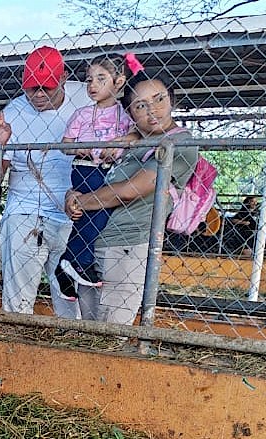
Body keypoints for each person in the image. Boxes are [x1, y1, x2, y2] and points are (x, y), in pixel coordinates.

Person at [64, 69, 199, 325]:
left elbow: (130, 190)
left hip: (126, 245)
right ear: (130, 114)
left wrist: (81, 201)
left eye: (159, 99)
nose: (152, 110)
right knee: (88, 328)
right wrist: (72, 194)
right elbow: (95, 177)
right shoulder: (130, 142)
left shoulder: (179, 144)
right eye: (140, 105)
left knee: (111, 331)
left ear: (171, 99)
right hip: (93, 243)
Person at [0, 46, 93, 318]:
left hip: (76, 210)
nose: (39, 95)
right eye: (32, 88)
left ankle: (74, 345)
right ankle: (16, 343)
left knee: (70, 295)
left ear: (64, 78)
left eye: (47, 87)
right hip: (25, 209)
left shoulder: (87, 98)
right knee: (18, 299)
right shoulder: (15, 112)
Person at [56, 54, 139, 293]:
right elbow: (65, 143)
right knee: (95, 213)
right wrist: (83, 148)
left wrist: (120, 143)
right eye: (89, 79)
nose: (92, 85)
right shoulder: (82, 113)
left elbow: (138, 135)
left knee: (96, 214)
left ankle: (68, 263)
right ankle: (77, 260)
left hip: (110, 171)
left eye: (101, 79)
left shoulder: (125, 116)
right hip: (85, 169)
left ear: (119, 81)